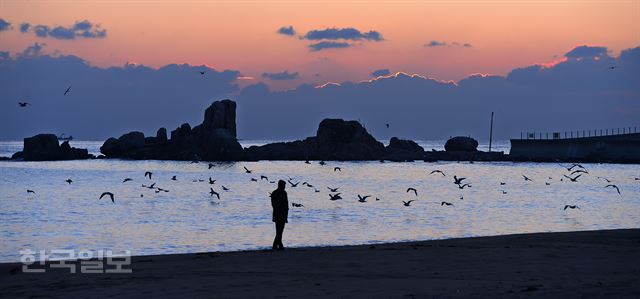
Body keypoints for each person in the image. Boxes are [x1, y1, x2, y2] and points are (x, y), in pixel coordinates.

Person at [270, 180, 289, 250]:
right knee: (280, 231)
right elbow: (286, 204)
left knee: (279, 230)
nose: (285, 187)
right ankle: (276, 245)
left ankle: (279, 244)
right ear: (281, 185)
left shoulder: (274, 192)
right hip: (282, 214)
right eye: (284, 185)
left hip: (277, 214)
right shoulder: (284, 193)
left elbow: (273, 204)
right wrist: (286, 214)